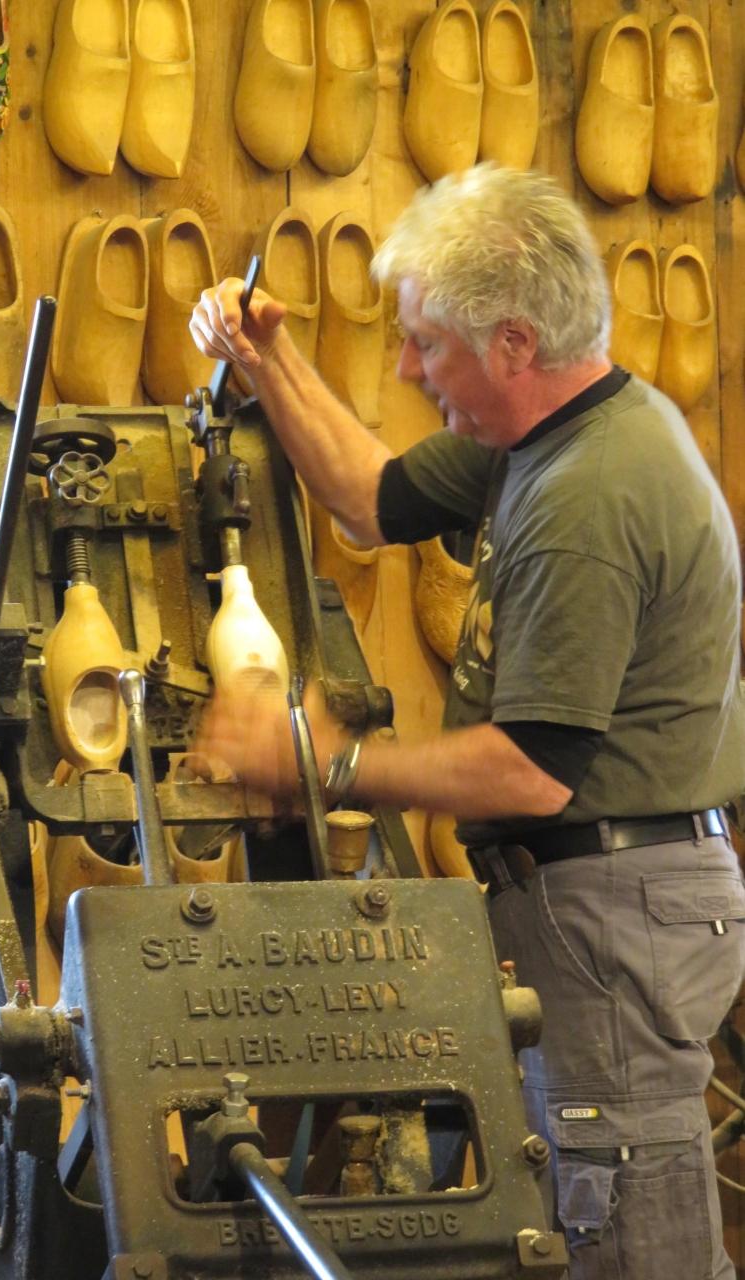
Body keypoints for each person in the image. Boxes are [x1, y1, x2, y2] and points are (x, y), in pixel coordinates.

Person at [189, 163, 745, 1280]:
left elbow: (530, 770)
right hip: (585, 896)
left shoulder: (588, 493)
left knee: (627, 1236)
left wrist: (325, 763)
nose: (406, 367)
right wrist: (266, 360)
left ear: (511, 344)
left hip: (613, 908)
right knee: (574, 1218)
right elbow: (373, 498)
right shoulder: (542, 436)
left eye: (426, 344)